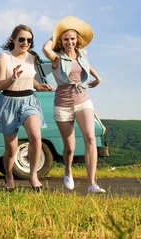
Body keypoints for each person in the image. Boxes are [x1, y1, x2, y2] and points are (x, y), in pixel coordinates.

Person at [42, 16, 106, 194]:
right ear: (61, 42)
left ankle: (92, 183)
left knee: (90, 138)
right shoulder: (56, 58)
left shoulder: (83, 54)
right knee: (69, 147)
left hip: (82, 100)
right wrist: (56, 33)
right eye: (66, 39)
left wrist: (97, 77)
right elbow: (45, 48)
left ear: (77, 40)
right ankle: (68, 170)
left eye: (72, 38)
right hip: (63, 104)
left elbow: (86, 64)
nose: (69, 42)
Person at [0, 24, 53, 190]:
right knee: (11, 149)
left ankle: (33, 176)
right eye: (22, 39)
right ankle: (9, 176)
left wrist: (39, 86)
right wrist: (13, 77)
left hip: (29, 100)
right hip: (9, 101)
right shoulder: (4, 57)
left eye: (29, 40)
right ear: (13, 40)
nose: (26, 43)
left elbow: (30, 78)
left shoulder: (32, 56)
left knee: (35, 135)